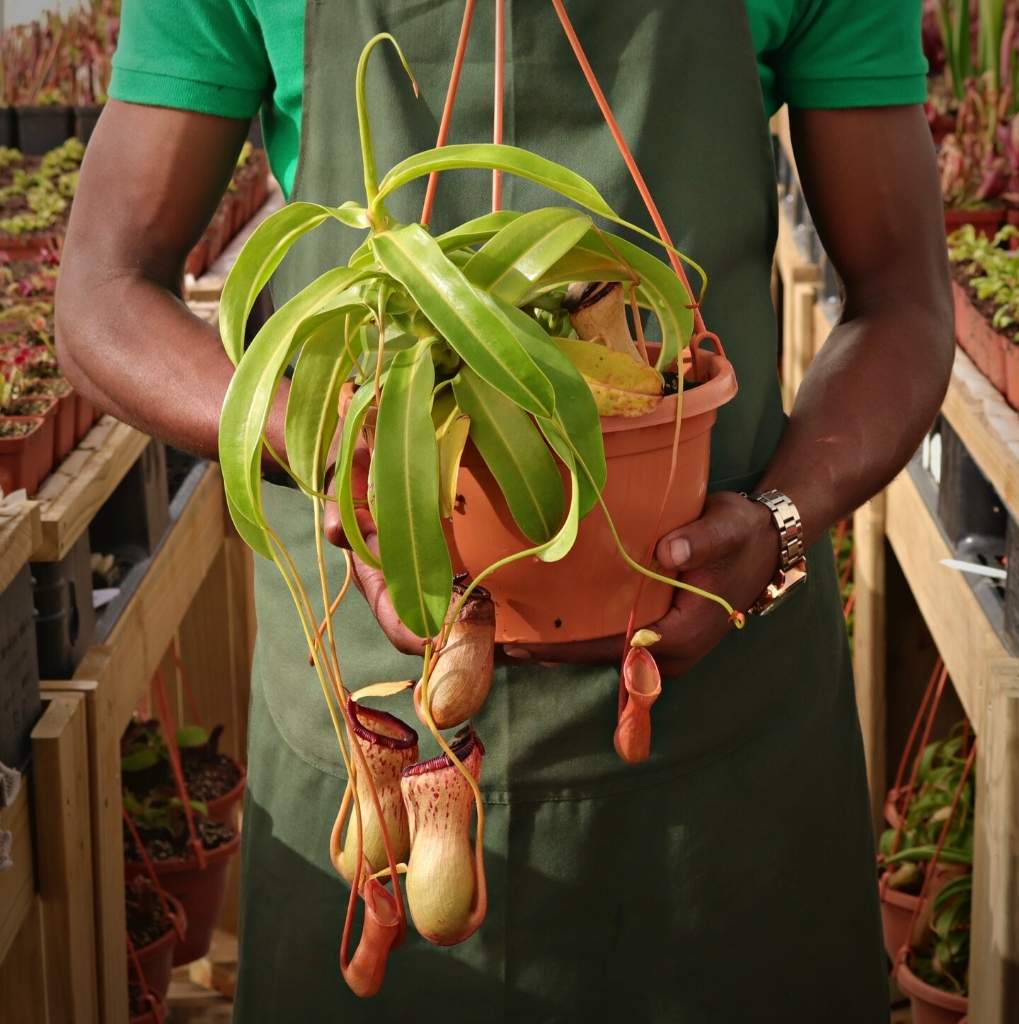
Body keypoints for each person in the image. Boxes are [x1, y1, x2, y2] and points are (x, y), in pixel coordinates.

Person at [56, 1, 953, 1021]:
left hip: (715, 711)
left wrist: (783, 521)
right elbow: (101, 289)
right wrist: (318, 437)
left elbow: (903, 300)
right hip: (383, 697)